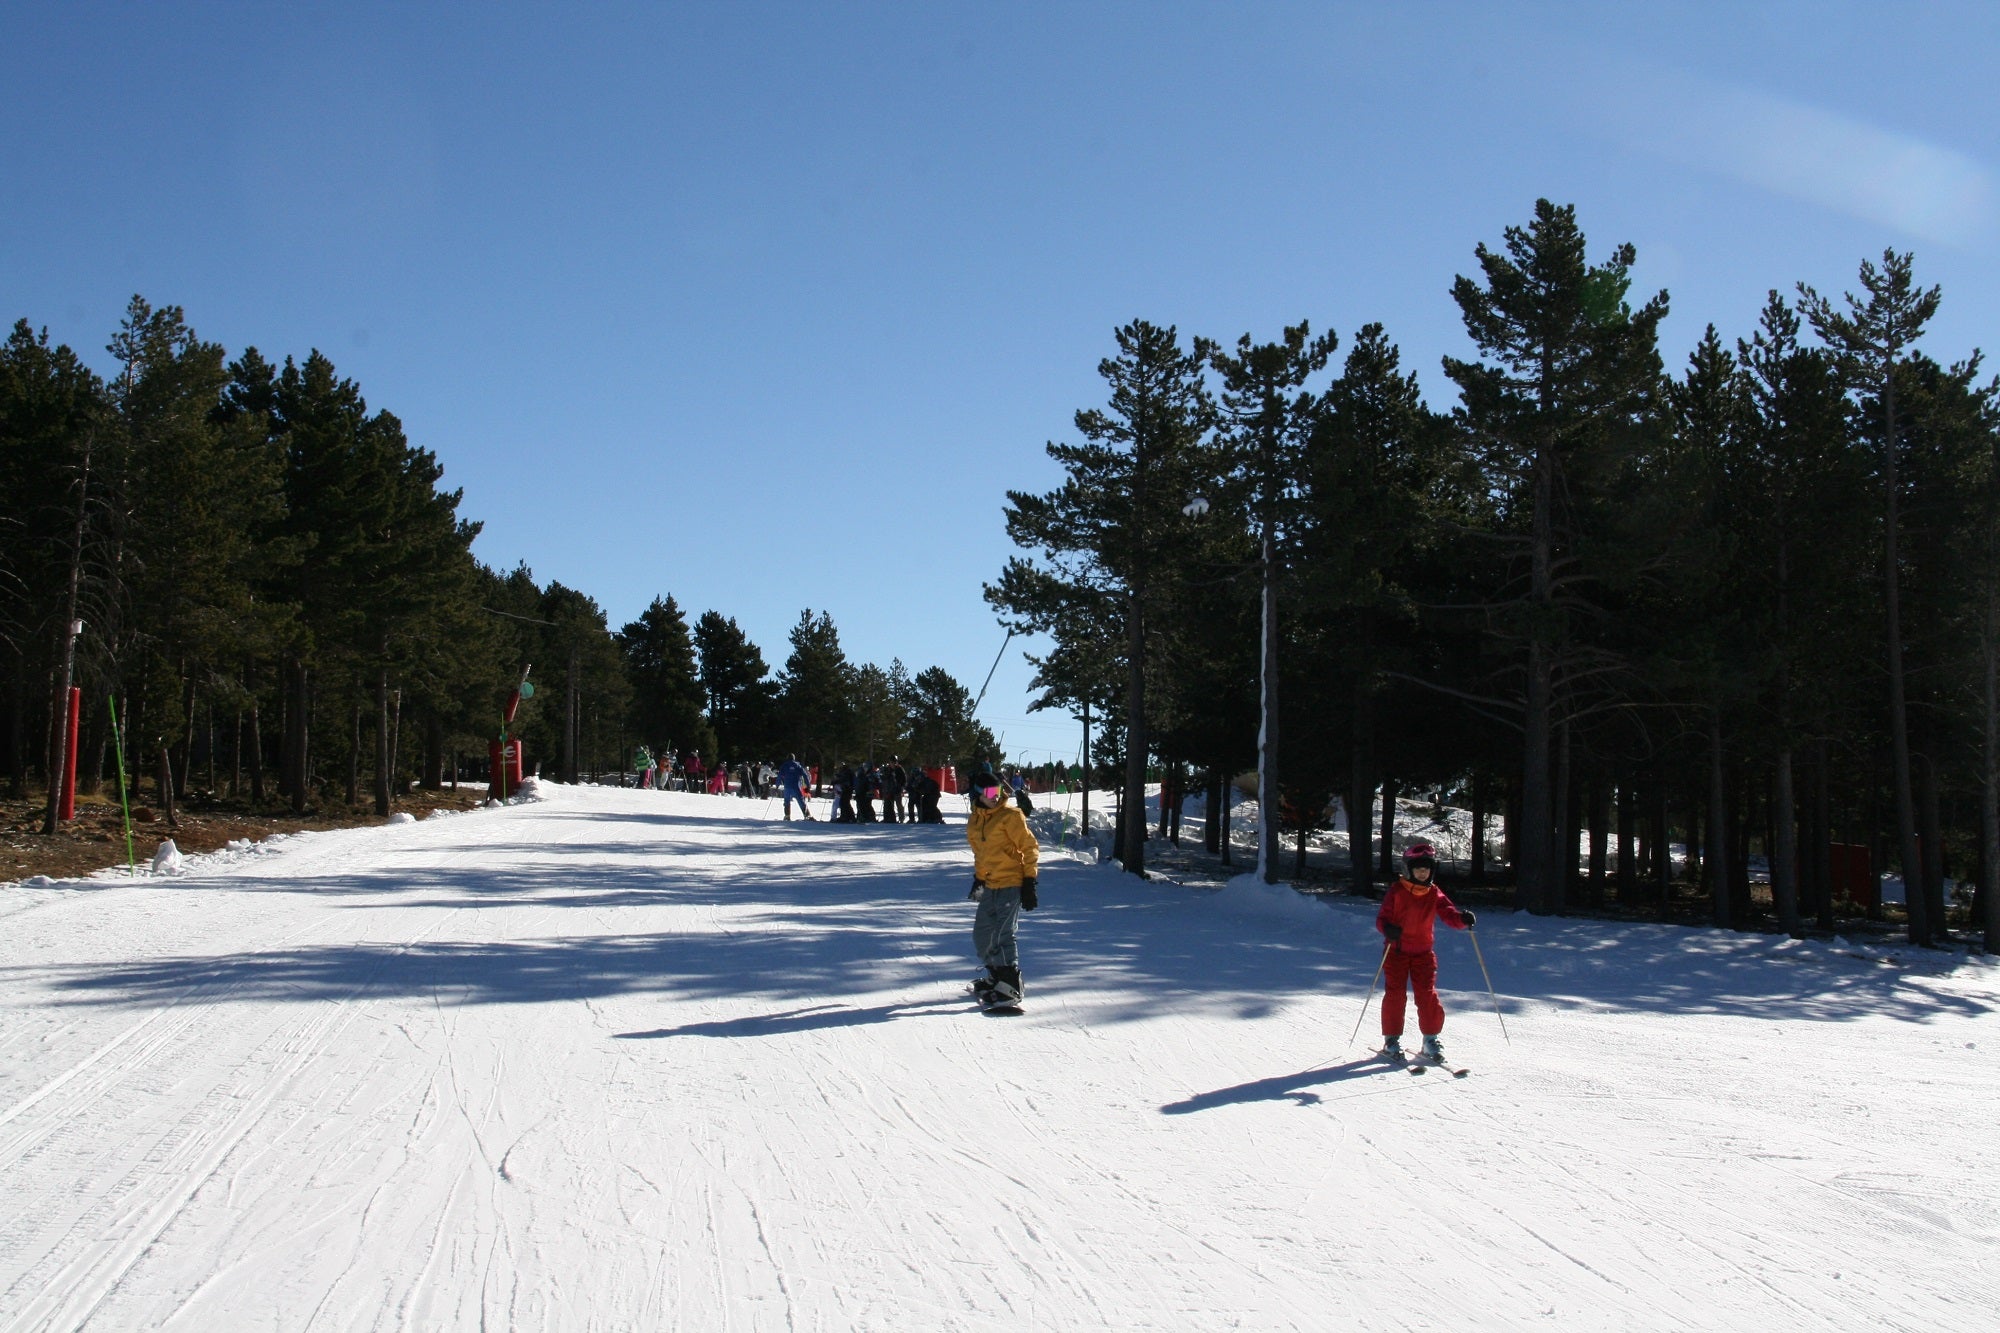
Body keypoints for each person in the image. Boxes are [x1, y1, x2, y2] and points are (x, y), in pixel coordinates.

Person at [1375, 840, 1475, 1065]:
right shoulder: (1397, 891)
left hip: (1423, 954)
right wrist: (1388, 929)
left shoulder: (1433, 892)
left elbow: (1448, 913)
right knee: (1395, 995)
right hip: (1397, 952)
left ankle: (1430, 1039)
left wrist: (1462, 919)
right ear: (1408, 869)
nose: (1422, 872)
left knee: (1427, 995)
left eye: (1426, 868)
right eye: (1418, 868)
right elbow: (1382, 919)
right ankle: (1391, 1039)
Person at [966, 770, 1039, 1006]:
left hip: (1011, 883)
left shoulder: (1011, 815)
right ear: (978, 793)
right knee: (982, 935)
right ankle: (996, 976)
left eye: (998, 791)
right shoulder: (976, 819)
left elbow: (1029, 847)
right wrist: (978, 879)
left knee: (1002, 934)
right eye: (989, 792)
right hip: (990, 883)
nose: (995, 796)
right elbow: (981, 852)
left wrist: (1029, 882)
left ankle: (1011, 985)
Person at [777, 754, 815, 821]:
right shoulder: (798, 765)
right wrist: (808, 784)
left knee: (787, 801)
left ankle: (787, 816)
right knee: (800, 800)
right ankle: (807, 815)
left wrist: (777, 784)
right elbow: (805, 775)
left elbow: (779, 775)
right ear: (794, 758)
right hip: (796, 786)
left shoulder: (784, 765)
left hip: (787, 786)